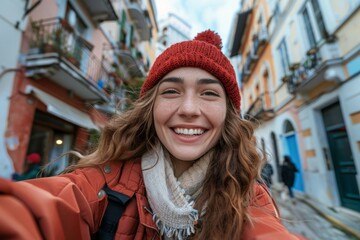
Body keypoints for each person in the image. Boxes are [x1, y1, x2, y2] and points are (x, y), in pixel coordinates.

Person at [0, 30, 305, 240]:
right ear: (150, 108)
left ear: (228, 114)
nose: (188, 108)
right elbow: (40, 211)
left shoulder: (249, 197)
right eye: (171, 91)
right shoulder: (100, 185)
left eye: (209, 93)